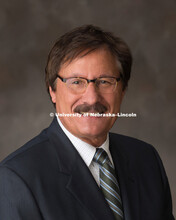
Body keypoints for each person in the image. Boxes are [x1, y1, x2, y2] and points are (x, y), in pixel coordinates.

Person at [0, 25, 174, 220]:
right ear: (53, 91)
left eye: (105, 81)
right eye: (76, 82)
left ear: (122, 91)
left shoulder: (146, 159)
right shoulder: (18, 178)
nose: (92, 99)